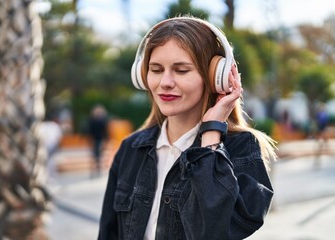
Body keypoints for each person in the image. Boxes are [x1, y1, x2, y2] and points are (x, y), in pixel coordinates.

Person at [98, 16, 277, 240]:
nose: (165, 82)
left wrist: (212, 133)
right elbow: (108, 233)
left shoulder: (241, 148)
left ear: (215, 78)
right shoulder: (131, 149)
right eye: (155, 69)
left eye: (181, 70)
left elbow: (216, 232)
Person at [88, 104, 109, 174]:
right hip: (96, 139)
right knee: (97, 153)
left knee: (96, 153)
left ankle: (96, 167)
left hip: (96, 139)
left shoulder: (93, 120)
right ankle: (96, 167)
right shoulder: (99, 121)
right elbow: (105, 131)